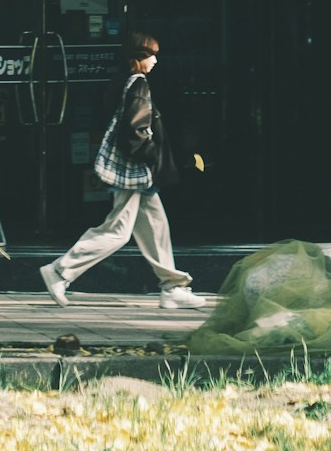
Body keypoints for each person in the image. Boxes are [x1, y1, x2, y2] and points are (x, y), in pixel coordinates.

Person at [40, 28, 207, 309]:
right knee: (117, 231)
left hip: (135, 173)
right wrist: (154, 155)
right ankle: (60, 271)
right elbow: (136, 130)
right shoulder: (139, 84)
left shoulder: (122, 82)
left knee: (156, 227)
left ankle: (172, 287)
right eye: (152, 55)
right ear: (140, 57)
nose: (156, 60)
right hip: (135, 172)